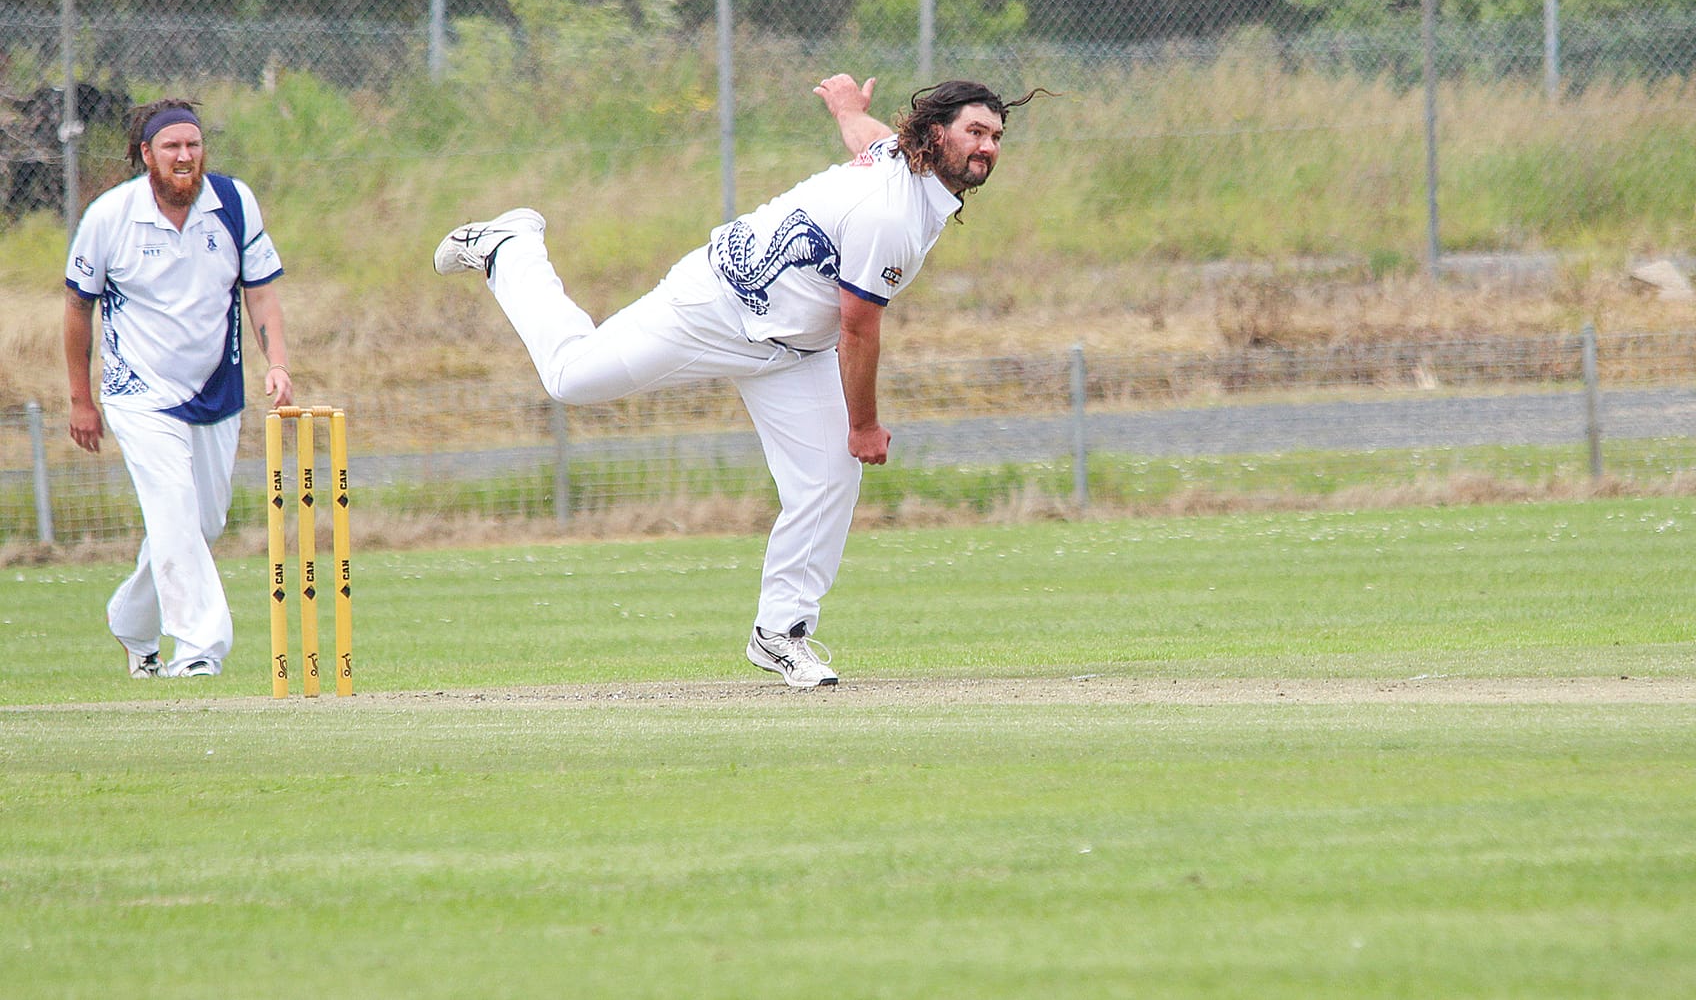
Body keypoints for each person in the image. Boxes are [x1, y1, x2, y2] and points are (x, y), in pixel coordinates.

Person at [432, 74, 1041, 687]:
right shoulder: (890, 217)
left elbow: (872, 134)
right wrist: (863, 425)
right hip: (716, 306)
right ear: (936, 135)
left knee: (828, 477)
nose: (987, 147)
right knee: (569, 377)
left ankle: (781, 633)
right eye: (975, 132)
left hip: (793, 348)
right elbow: (859, 330)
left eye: (995, 135)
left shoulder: (902, 160)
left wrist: (848, 110)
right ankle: (509, 247)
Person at [64, 99, 293, 679]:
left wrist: (278, 363)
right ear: (147, 155)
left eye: (192, 144)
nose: (185, 155)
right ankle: (199, 650)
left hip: (217, 389)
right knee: (172, 508)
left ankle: (131, 619)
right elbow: (76, 308)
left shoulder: (234, 203)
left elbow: (261, 290)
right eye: (171, 147)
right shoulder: (109, 216)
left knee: (200, 525)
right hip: (136, 390)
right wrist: (79, 399)